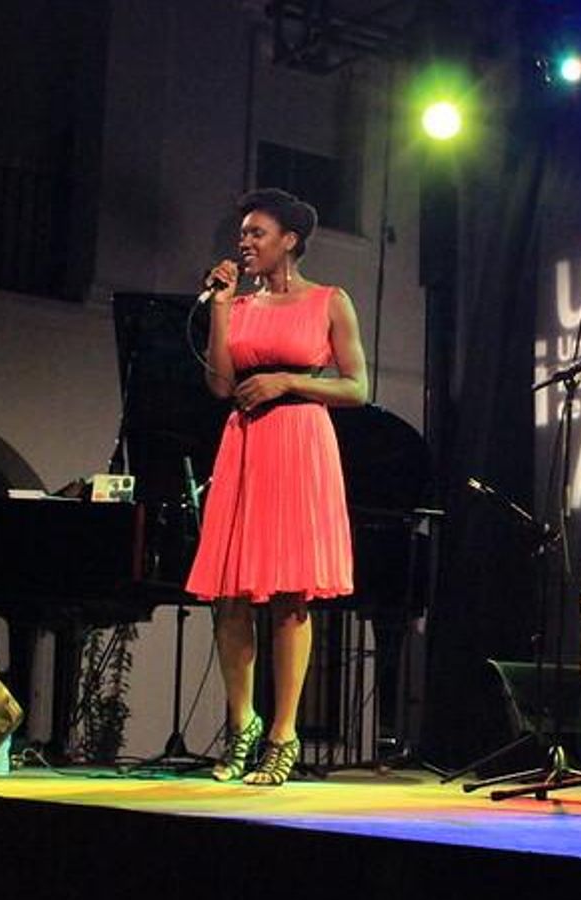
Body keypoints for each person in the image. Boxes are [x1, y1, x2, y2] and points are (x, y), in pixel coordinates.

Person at [186, 188, 368, 786]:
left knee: (291, 596)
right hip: (244, 444)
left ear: (289, 239)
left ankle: (283, 733)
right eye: (243, 234)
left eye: (256, 233)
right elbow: (219, 384)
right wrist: (218, 306)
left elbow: (356, 388)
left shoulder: (328, 301)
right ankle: (241, 724)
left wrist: (287, 381)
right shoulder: (236, 305)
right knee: (231, 595)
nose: (245, 242)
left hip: (298, 444)